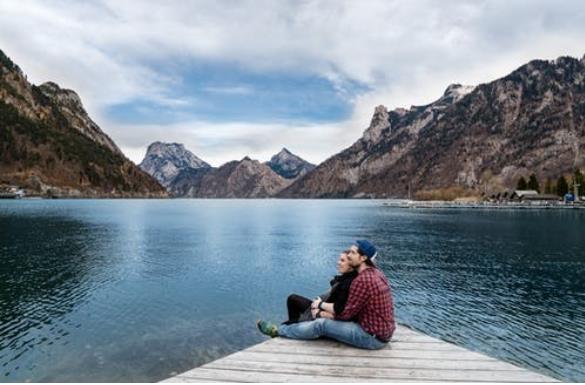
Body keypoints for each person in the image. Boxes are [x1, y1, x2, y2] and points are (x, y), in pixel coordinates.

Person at [257, 240, 395, 350]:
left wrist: (319, 312)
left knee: (321, 325)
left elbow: (344, 314)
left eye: (352, 253)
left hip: (371, 337)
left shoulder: (362, 280)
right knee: (322, 321)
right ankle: (290, 329)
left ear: (363, 257)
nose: (349, 255)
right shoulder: (377, 273)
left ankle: (278, 331)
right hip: (382, 332)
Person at [283, 250, 357, 325]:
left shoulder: (347, 283)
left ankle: (295, 327)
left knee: (287, 320)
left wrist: (319, 308)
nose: (338, 262)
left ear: (351, 265)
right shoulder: (344, 279)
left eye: (342, 260)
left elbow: (338, 308)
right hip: (322, 307)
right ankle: (295, 325)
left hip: (323, 312)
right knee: (292, 300)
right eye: (339, 260)